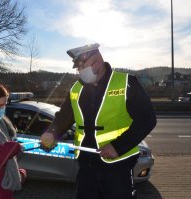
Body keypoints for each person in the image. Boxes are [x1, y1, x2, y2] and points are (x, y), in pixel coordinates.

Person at [41, 43, 157, 199]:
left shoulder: (127, 83)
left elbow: (147, 120)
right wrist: (52, 133)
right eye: (78, 68)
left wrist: (117, 146)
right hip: (86, 167)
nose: (81, 71)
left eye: (84, 66)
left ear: (98, 60)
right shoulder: (76, 88)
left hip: (117, 167)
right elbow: (63, 117)